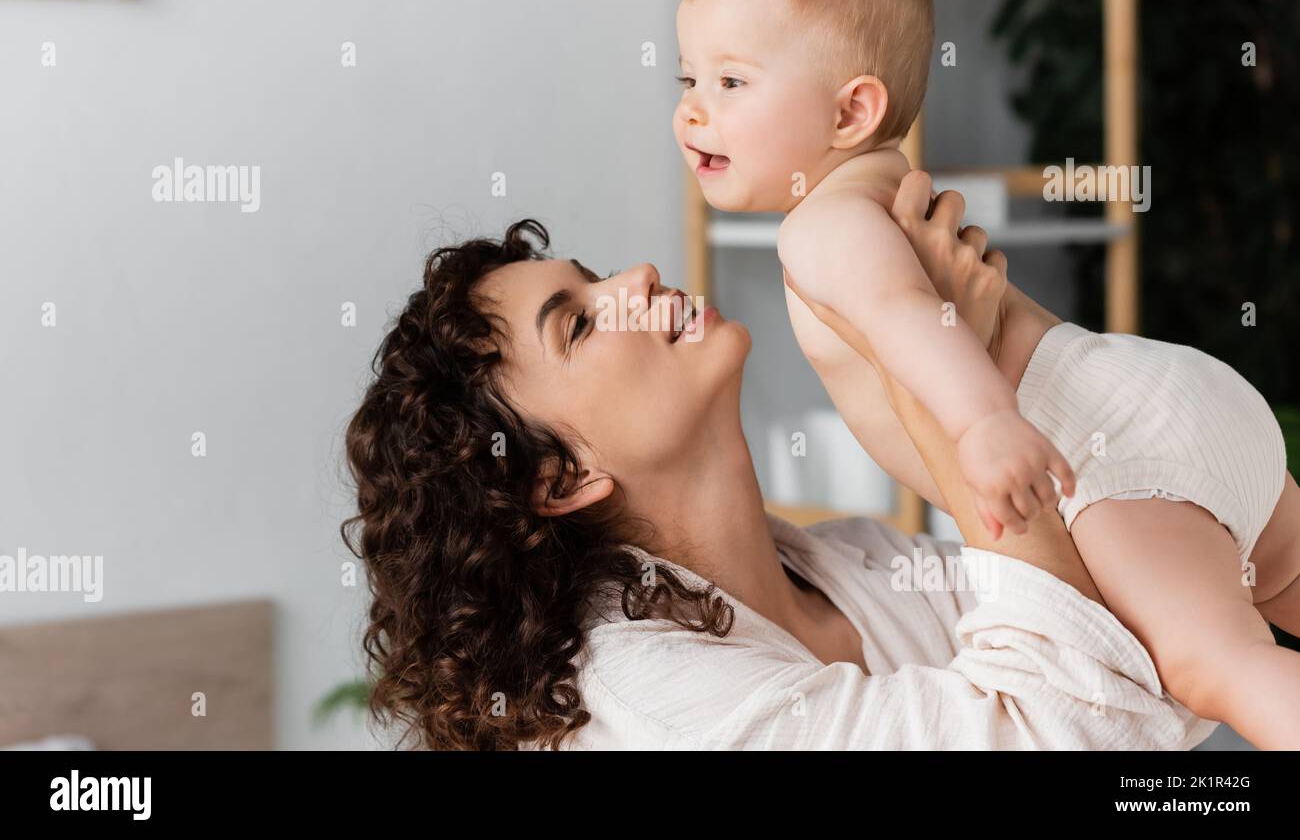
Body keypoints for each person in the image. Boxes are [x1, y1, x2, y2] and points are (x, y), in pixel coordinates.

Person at [673, 0, 1300, 748]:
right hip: (1161, 396)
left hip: (1107, 455)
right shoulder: (883, 181)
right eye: (687, 80)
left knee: (1214, 661)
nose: (693, 112)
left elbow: (909, 313)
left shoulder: (819, 224)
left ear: (850, 113)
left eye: (730, 82)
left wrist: (985, 422)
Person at [341, 175, 1219, 750]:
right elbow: (1086, 729)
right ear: (559, 479)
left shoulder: (855, 563)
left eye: (595, 276)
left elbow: (1164, 652)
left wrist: (961, 357)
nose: (638, 278)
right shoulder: (647, 701)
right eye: (581, 322)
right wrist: (935, 367)